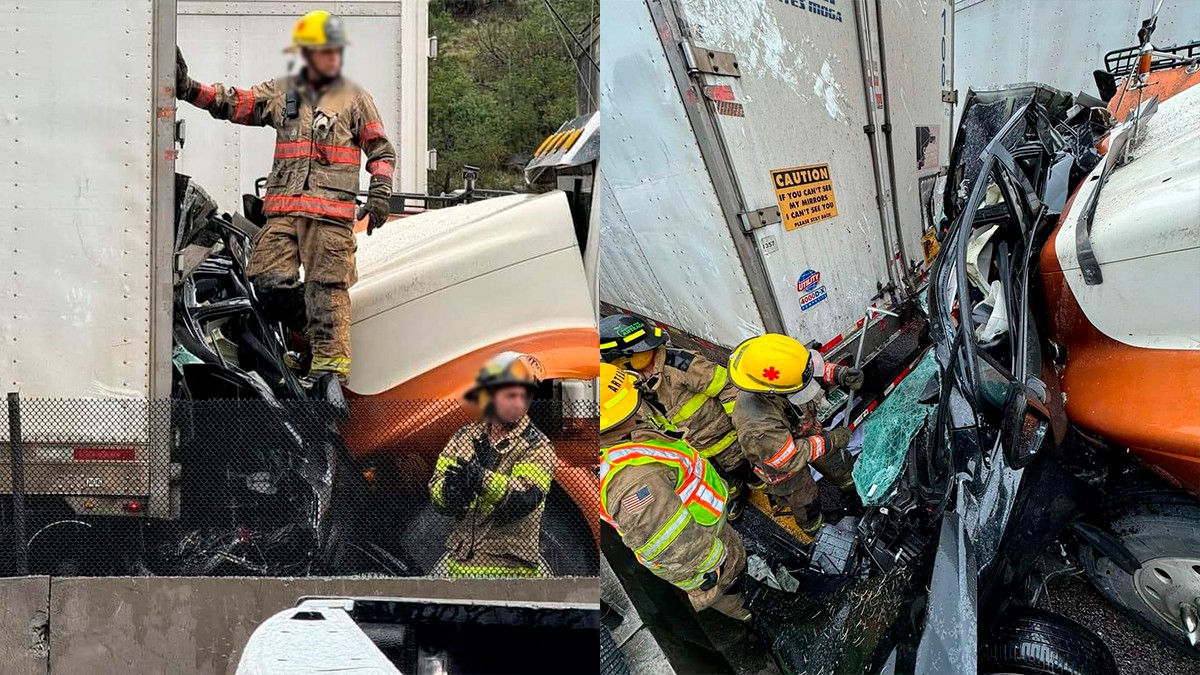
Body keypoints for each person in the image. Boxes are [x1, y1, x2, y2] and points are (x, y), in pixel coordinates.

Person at [175, 10, 396, 383]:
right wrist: (189, 88)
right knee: (264, 281)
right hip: (285, 213)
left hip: (329, 217)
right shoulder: (284, 92)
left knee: (327, 291)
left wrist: (380, 193)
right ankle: (311, 338)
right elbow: (236, 103)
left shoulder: (355, 99)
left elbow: (381, 151)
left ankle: (329, 379)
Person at [599, 363, 751, 620]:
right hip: (705, 552)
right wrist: (714, 566)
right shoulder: (635, 481)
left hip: (702, 531)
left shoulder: (614, 442)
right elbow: (669, 543)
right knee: (729, 592)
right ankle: (747, 612)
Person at [600, 314, 757, 520]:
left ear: (625, 357)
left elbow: (728, 387)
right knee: (722, 476)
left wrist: (741, 426)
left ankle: (764, 486)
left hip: (724, 441)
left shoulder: (682, 364)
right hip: (693, 450)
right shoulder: (629, 383)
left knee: (744, 470)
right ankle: (735, 492)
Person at [428, 352, 556, 576]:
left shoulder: (537, 446)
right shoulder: (463, 437)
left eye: (525, 395)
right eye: (511, 395)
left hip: (510, 575)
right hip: (459, 570)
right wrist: (450, 492)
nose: (519, 403)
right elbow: (436, 488)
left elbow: (525, 498)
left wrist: (480, 479)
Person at [727, 334, 864, 543]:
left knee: (840, 466)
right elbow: (787, 459)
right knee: (805, 500)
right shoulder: (755, 424)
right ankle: (817, 533)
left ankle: (854, 492)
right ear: (773, 392)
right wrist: (831, 441)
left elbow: (810, 373)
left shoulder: (784, 368)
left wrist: (840, 374)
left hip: (806, 433)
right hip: (784, 467)